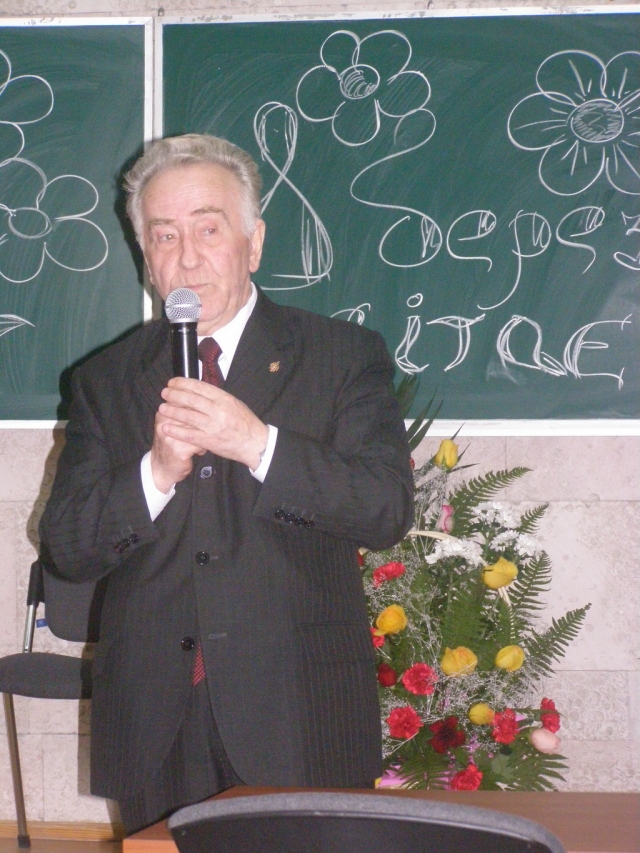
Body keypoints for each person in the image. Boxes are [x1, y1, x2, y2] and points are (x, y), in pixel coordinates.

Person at [39, 134, 414, 834]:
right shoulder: (103, 380)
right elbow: (68, 546)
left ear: (254, 241)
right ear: (145, 254)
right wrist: (153, 473)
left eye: (208, 229)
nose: (187, 257)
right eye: (164, 235)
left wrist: (258, 444)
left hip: (299, 710)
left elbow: (384, 507)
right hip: (155, 719)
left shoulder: (340, 356)